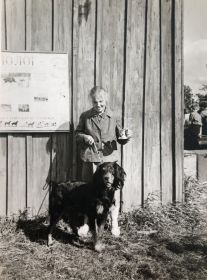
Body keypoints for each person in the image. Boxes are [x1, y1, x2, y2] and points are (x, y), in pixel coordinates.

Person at [75, 86, 132, 236]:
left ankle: (114, 224)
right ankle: (86, 223)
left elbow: (122, 139)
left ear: (105, 100)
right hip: (91, 159)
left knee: (112, 192)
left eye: (101, 102)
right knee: (88, 191)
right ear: (91, 102)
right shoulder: (85, 116)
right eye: (95, 102)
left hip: (108, 160)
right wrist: (84, 137)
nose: (98, 105)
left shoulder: (113, 116)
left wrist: (127, 136)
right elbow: (76, 134)